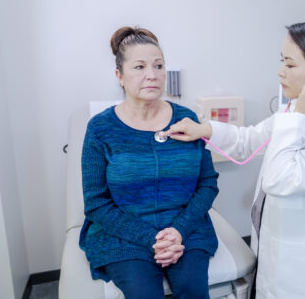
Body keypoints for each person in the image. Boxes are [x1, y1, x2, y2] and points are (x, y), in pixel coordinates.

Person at [164, 20, 305, 298]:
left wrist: (297, 118)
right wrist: (205, 129)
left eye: (289, 64)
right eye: (281, 61)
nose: (280, 71)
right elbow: (250, 139)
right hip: (275, 245)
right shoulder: (296, 110)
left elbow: (281, 179)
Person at [79, 26, 219, 299]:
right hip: (123, 233)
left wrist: (178, 231)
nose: (152, 75)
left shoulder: (186, 119)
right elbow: (96, 203)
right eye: (140, 67)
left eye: (158, 65)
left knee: (193, 289)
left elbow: (207, 184)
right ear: (120, 76)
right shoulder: (100, 129)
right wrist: (152, 239)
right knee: (144, 293)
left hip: (185, 228)